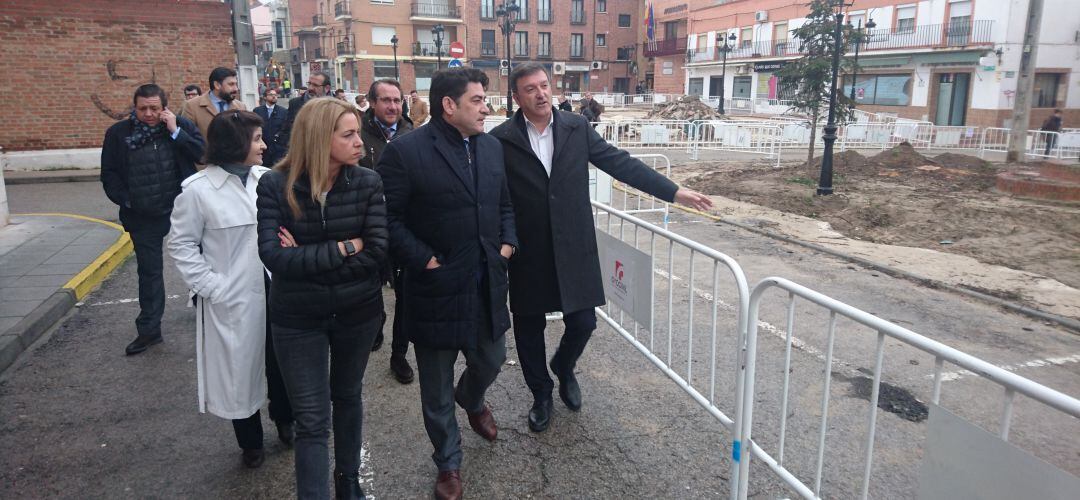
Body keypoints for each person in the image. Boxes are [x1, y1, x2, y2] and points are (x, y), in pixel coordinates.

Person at [490, 62, 712, 433]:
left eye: (545, 85)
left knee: (584, 321)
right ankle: (541, 394)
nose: (541, 93)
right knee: (528, 327)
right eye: (531, 89)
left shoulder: (576, 128)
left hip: (575, 245)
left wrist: (674, 191)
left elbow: (620, 164)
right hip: (529, 250)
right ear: (516, 97)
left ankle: (563, 365)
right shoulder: (501, 139)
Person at [379, 68, 517, 500]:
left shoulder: (491, 148)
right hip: (436, 286)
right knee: (435, 388)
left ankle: (473, 400)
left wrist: (508, 243)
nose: (486, 108)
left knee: (492, 358)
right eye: (478, 100)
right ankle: (448, 463)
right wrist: (426, 259)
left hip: (484, 282)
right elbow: (389, 220)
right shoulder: (405, 153)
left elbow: (504, 204)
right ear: (449, 105)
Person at [256, 98, 387, 499]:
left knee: (348, 397)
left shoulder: (367, 182)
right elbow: (274, 256)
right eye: (347, 135)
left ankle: (348, 482)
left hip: (357, 312)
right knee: (312, 419)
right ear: (317, 138)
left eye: (357, 133)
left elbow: (378, 252)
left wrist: (306, 256)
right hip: (297, 318)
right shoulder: (274, 185)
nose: (359, 142)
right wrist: (346, 248)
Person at [167, 109, 294, 469]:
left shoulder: (267, 178)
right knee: (240, 369)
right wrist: (212, 287)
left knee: (281, 362)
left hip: (275, 287)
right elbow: (181, 245)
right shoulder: (198, 191)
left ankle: (286, 421)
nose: (264, 145)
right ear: (235, 144)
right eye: (256, 139)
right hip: (232, 297)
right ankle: (250, 441)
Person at [100, 84, 205, 355]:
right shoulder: (118, 133)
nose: (148, 113)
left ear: (164, 108)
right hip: (142, 213)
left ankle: (211, 316)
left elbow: (202, 154)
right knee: (149, 273)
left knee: (204, 261)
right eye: (142, 108)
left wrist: (176, 132)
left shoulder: (178, 126)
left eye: (154, 108)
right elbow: (109, 173)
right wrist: (126, 200)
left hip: (183, 209)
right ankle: (149, 330)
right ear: (134, 107)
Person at [358, 79, 415, 384]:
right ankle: (376, 321)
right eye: (386, 100)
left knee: (405, 293)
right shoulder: (357, 133)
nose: (393, 106)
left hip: (400, 224)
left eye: (397, 100)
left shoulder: (411, 133)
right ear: (371, 102)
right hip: (365, 226)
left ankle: (399, 355)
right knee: (372, 286)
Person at [180, 67, 247, 142]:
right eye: (231, 84)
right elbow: (186, 139)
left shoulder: (240, 107)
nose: (236, 89)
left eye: (236, 84)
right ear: (217, 85)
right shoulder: (192, 106)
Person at [280, 71, 332, 155]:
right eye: (309, 84)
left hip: (328, 155)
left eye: (315, 85)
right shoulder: (295, 103)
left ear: (327, 88)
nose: (310, 88)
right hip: (302, 155)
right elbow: (286, 131)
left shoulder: (336, 106)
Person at [254, 89, 288, 168]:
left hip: (277, 149)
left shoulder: (283, 111)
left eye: (275, 95)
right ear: (265, 97)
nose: (274, 96)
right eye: (271, 94)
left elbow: (285, 129)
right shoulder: (258, 111)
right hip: (263, 147)